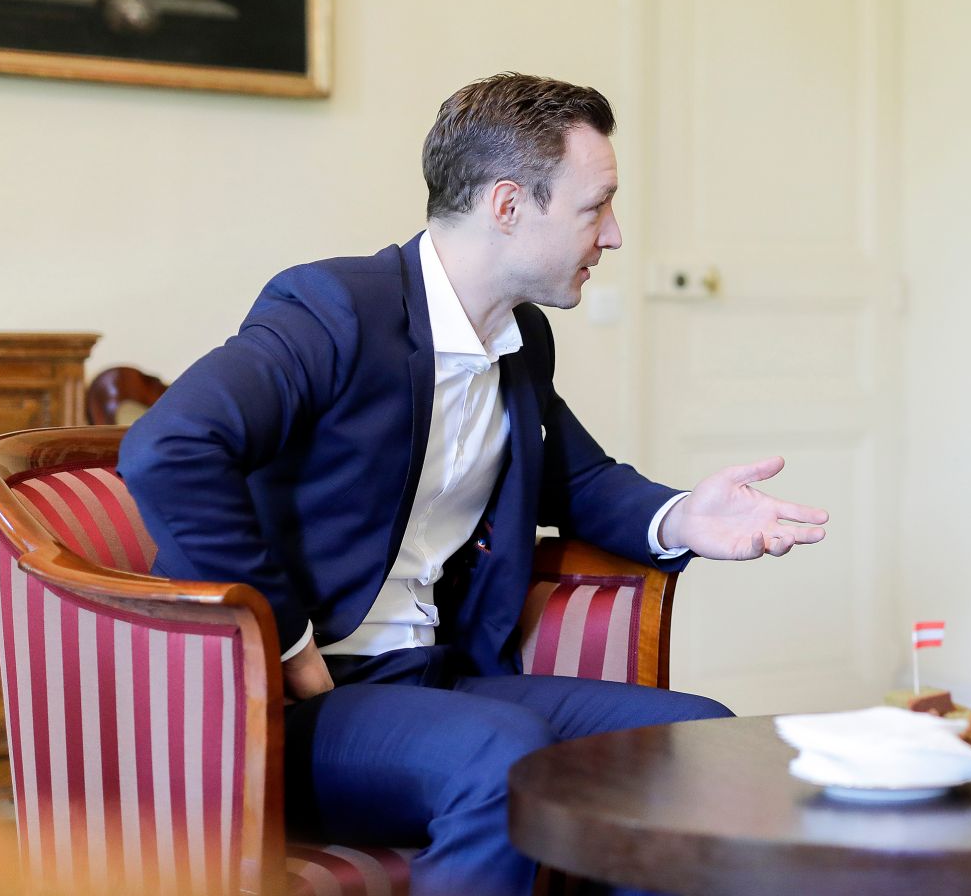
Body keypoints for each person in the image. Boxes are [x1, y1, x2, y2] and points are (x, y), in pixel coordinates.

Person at [120, 73, 829, 896]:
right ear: (507, 206)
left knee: (693, 740)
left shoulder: (518, 339)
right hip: (301, 711)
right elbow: (169, 447)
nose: (616, 236)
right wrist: (283, 634)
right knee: (505, 751)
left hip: (439, 680)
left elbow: (579, 476)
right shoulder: (336, 310)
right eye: (596, 207)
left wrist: (680, 517)